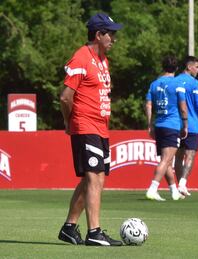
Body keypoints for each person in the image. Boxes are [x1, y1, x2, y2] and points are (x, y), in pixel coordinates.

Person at [58, 13, 123, 246]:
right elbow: (66, 97)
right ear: (98, 34)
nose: (114, 38)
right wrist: (69, 122)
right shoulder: (81, 57)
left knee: (94, 179)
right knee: (94, 177)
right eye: (111, 34)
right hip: (85, 125)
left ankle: (68, 227)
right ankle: (94, 232)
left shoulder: (103, 60)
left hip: (100, 127)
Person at [145, 55, 188, 201]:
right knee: (166, 160)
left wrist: (150, 124)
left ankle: (174, 191)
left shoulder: (154, 84)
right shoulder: (178, 84)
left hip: (159, 125)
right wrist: (185, 124)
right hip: (172, 125)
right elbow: (183, 107)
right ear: (176, 68)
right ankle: (152, 188)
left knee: (166, 160)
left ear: (163, 67)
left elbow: (148, 105)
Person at [174, 56, 198, 197]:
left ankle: (179, 188)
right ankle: (182, 184)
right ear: (189, 67)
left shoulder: (174, 81)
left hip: (175, 125)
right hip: (192, 124)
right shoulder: (195, 84)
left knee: (178, 156)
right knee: (190, 154)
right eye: (197, 67)